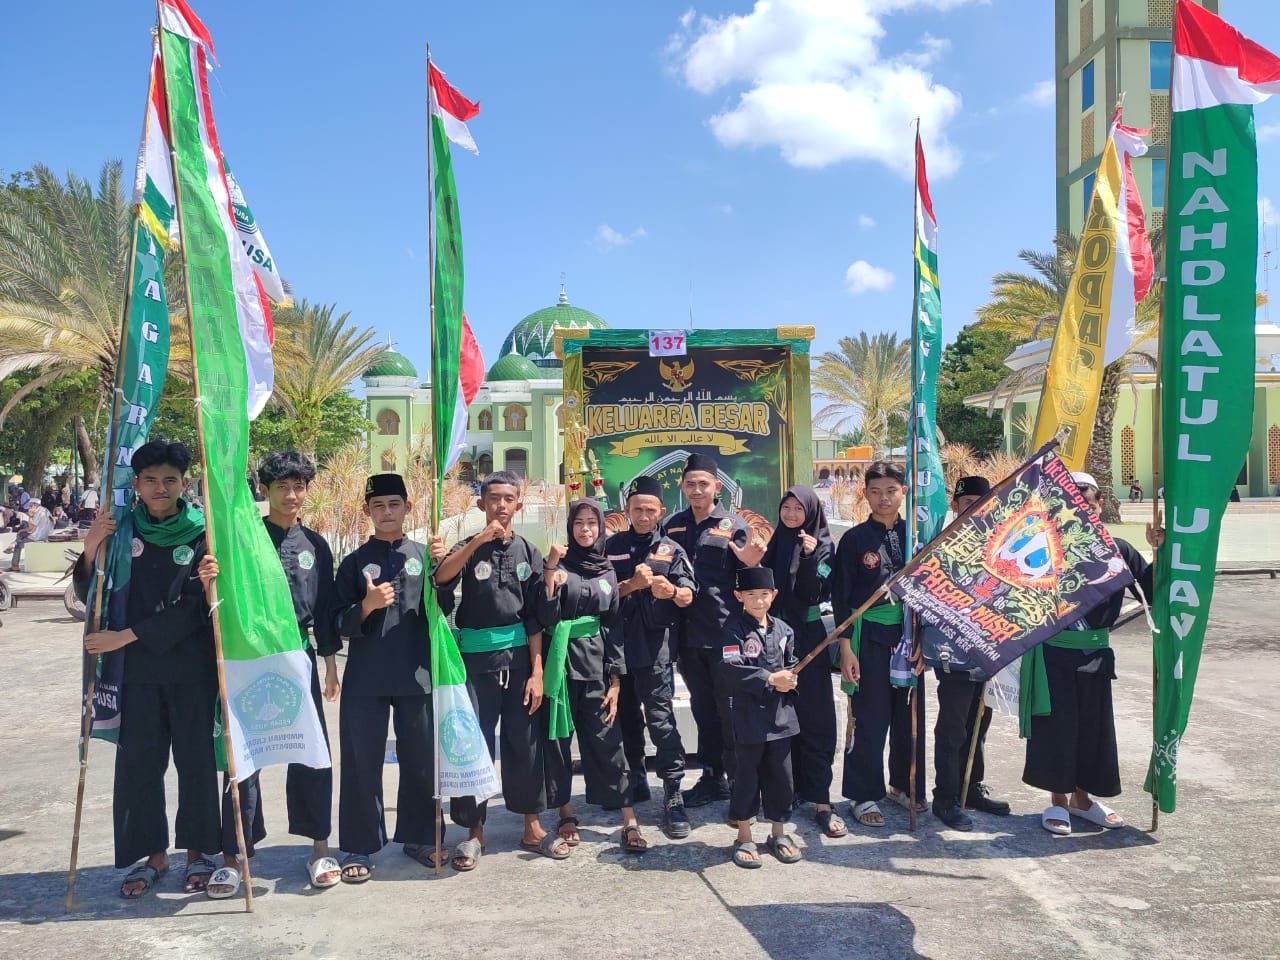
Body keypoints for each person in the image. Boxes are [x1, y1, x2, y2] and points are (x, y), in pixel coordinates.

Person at [73, 440, 220, 898]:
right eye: (151, 480)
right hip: (134, 673)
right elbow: (94, 592)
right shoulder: (119, 533)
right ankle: (151, 856)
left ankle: (199, 852)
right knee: (139, 764)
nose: (160, 488)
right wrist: (90, 549)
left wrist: (126, 636)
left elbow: (196, 608)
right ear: (136, 484)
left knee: (196, 762)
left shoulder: (203, 533)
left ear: (184, 484)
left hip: (191, 669)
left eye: (170, 480)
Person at [199, 451, 342, 896]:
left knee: (312, 752)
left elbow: (326, 610)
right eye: (282, 487)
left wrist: (329, 665)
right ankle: (234, 856)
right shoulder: (244, 540)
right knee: (243, 756)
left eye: (299, 487)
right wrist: (208, 579)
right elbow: (220, 596)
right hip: (248, 658)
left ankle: (319, 848)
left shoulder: (315, 545)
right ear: (264, 490)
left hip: (297, 656)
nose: (292, 495)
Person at [429, 471, 559, 869]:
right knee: (474, 743)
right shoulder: (467, 547)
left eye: (508, 498)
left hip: (519, 661)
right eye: (493, 498)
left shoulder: (529, 552)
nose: (501, 505)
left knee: (525, 742)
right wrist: (477, 542)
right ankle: (474, 831)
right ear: (481, 504)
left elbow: (535, 618)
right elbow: (441, 578)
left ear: (518, 504)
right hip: (475, 664)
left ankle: (531, 825)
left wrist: (536, 672)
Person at [1023, 471, 1162, 836]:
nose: (1081, 511)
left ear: (1099, 505)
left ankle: (1082, 801)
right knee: (1056, 729)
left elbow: (1151, 592)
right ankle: (1058, 801)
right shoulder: (1041, 549)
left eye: (1087, 504)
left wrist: (1158, 551)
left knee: (1093, 730)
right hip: (1053, 653)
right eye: (1072, 505)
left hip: (1095, 654)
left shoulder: (1119, 550)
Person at [330, 473, 442, 881]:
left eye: (394, 504)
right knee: (361, 761)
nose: (387, 512)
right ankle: (359, 845)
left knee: (421, 760)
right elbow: (334, 621)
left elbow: (444, 609)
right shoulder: (354, 562)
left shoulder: (425, 556)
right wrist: (366, 605)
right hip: (366, 677)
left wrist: (443, 569)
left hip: (417, 673)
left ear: (408, 508)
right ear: (367, 511)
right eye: (378, 506)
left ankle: (420, 837)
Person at [541, 499, 648, 853]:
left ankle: (628, 818)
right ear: (570, 527)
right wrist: (550, 573)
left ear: (601, 527)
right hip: (559, 666)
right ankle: (565, 813)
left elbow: (613, 624)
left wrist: (616, 681)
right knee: (559, 741)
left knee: (608, 739)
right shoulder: (557, 564)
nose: (585, 529)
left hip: (596, 667)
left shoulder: (606, 570)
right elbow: (543, 614)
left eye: (591, 523)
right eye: (579, 523)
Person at [662, 453, 765, 811]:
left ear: (717, 486)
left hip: (725, 633)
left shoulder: (734, 525)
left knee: (731, 709)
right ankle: (711, 777)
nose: (696, 490)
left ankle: (741, 783)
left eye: (703, 484)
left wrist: (752, 564)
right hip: (688, 635)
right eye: (690, 484)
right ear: (682, 486)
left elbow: (752, 579)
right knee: (703, 708)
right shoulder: (671, 526)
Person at [833, 461, 926, 829]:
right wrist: (846, 648)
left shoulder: (916, 537)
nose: (883, 498)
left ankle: (903, 785)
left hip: (909, 637)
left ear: (903, 492)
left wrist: (923, 640)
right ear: (866, 495)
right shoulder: (855, 539)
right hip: (867, 636)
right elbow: (841, 596)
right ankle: (863, 793)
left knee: (909, 717)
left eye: (890, 490)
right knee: (870, 719)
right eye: (875, 491)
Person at [607, 475, 696, 838]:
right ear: (627, 510)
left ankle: (673, 793)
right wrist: (632, 585)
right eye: (637, 509)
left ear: (661, 511)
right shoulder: (610, 546)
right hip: (616, 648)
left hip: (655, 649)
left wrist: (670, 590)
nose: (643, 516)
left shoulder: (672, 550)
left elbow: (689, 595)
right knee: (625, 718)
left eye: (650, 510)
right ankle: (636, 777)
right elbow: (597, 594)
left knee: (660, 721)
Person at [923, 476, 1011, 832]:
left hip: (989, 650)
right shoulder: (941, 545)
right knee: (952, 728)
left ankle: (970, 788)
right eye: (967, 502)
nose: (974, 508)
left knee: (980, 724)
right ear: (955, 504)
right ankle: (945, 798)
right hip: (953, 653)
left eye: (981, 502)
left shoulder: (1000, 544)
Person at [762, 485, 845, 838]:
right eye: (787, 507)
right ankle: (788, 790)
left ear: (811, 512)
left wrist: (810, 558)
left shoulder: (823, 546)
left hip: (809, 640)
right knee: (781, 718)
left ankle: (822, 801)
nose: (792, 514)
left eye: (799, 508)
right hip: (774, 640)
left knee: (816, 718)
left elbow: (818, 591)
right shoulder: (774, 543)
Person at [719, 566, 802, 868]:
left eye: (764, 594)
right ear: (738, 596)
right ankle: (744, 836)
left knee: (782, 776)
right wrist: (769, 678)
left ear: (774, 595)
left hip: (781, 717)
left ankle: (778, 833)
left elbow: (792, 663)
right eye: (751, 594)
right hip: (748, 718)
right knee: (746, 777)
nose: (758, 600)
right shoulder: (732, 629)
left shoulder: (784, 630)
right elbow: (731, 669)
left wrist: (791, 678)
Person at [8, 490, 54, 570]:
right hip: (46, 534)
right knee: (21, 534)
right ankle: (12, 544)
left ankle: (15, 566)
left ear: (34, 505)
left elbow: (31, 527)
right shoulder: (45, 510)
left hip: (38, 537)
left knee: (18, 544)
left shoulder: (38, 512)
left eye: (30, 505)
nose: (29, 507)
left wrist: (30, 516)